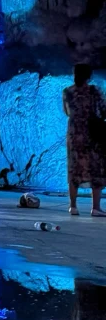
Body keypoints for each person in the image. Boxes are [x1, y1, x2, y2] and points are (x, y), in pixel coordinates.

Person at [63, 63, 106, 217]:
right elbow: (104, 109)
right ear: (89, 75)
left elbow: (67, 112)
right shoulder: (94, 91)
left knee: (74, 169)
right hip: (92, 135)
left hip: (74, 135)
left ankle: (73, 206)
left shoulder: (67, 92)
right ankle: (95, 207)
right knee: (96, 169)